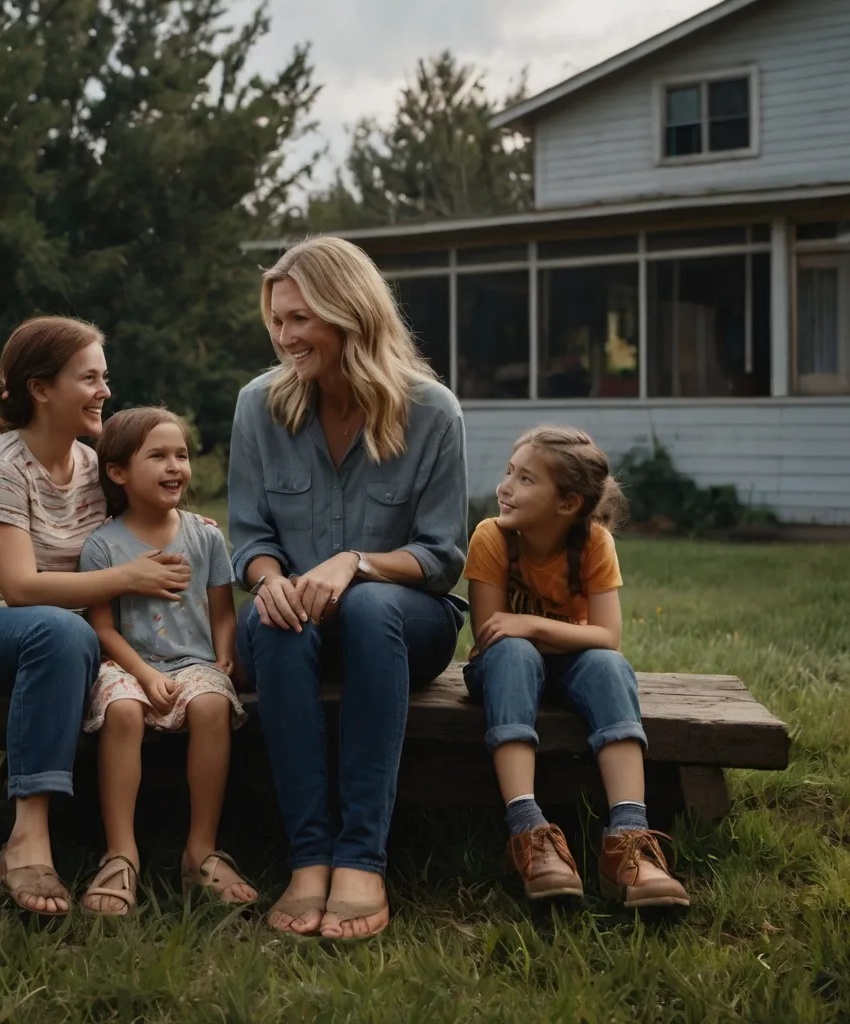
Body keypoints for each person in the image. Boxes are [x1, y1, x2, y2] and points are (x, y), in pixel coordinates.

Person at [228, 235, 468, 940]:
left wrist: (356, 562)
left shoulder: (432, 411)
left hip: (402, 622)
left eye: (299, 318)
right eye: (276, 319)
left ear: (348, 312)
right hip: (294, 625)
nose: (283, 336)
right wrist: (267, 580)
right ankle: (308, 858)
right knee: (275, 618)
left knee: (365, 607)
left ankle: (362, 857)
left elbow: (441, 556)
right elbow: (250, 537)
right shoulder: (258, 406)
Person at [0, 316, 192, 917]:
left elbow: (148, 519)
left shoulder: (96, 467)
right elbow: (19, 587)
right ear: (41, 389)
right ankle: (26, 839)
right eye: (89, 377)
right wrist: (128, 577)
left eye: (105, 377)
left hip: (67, 638)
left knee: (70, 637)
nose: (104, 391)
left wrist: (190, 535)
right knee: (59, 630)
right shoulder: (1, 465)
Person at [462, 425, 690, 907]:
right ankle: (529, 831)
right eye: (509, 472)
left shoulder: (593, 542)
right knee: (514, 651)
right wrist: (525, 632)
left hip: (571, 664)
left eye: (526, 479)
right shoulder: (493, 537)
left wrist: (533, 624)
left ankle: (628, 839)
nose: (505, 486)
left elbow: (607, 637)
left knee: (609, 666)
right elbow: (491, 634)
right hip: (501, 670)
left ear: (567, 503)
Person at [77, 407, 256, 915]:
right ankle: (121, 853)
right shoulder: (104, 546)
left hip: (194, 661)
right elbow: (102, 628)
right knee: (123, 711)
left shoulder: (204, 537)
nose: (175, 465)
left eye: (181, 454)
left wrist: (224, 656)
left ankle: (200, 849)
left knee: (211, 706)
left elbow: (224, 612)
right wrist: (146, 674)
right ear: (118, 472)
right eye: (157, 455)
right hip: (127, 665)